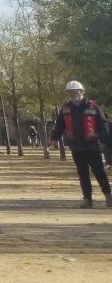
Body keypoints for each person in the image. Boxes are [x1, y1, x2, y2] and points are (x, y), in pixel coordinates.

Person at [50, 80, 112, 208]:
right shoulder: (65, 108)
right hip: (76, 147)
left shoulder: (93, 107)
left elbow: (103, 124)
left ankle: (108, 196)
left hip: (93, 147)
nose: (73, 94)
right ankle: (87, 199)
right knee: (82, 173)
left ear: (82, 92)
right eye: (70, 92)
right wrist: (54, 139)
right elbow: (59, 125)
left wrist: (105, 141)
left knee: (99, 172)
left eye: (75, 91)